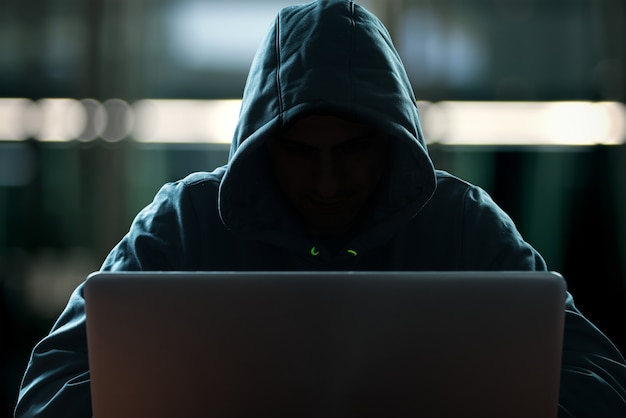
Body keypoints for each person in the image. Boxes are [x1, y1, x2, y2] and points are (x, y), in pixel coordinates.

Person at [14, 0, 626, 416]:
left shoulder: (461, 222)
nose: (329, 183)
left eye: (354, 151)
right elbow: (45, 391)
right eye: (302, 154)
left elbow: (601, 381)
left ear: (393, 144)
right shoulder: (183, 223)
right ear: (260, 150)